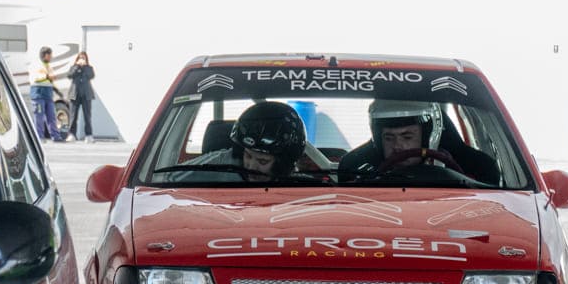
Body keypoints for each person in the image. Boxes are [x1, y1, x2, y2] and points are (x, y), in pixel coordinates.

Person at [338, 99, 499, 185]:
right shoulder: (356, 169)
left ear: (428, 136)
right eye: (389, 138)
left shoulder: (477, 168)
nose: (397, 146)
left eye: (407, 137)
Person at [185, 101, 306, 181]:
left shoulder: (302, 185)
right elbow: (173, 178)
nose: (251, 167)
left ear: (283, 165)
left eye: (262, 161)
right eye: (248, 156)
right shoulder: (221, 164)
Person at [30, 46, 61, 141]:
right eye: (49, 55)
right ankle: (39, 137)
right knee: (39, 116)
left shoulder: (49, 66)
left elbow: (51, 79)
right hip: (38, 94)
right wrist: (48, 76)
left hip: (48, 94)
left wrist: (57, 90)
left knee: (51, 116)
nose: (51, 57)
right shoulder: (36, 65)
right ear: (44, 55)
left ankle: (55, 136)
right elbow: (37, 78)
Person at [68, 51, 96, 143]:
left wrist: (84, 66)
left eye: (83, 58)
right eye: (80, 58)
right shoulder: (73, 67)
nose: (81, 59)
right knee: (73, 116)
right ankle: (72, 135)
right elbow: (70, 75)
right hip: (75, 94)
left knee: (87, 116)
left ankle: (88, 135)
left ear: (86, 59)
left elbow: (91, 76)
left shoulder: (89, 68)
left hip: (86, 95)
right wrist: (77, 66)